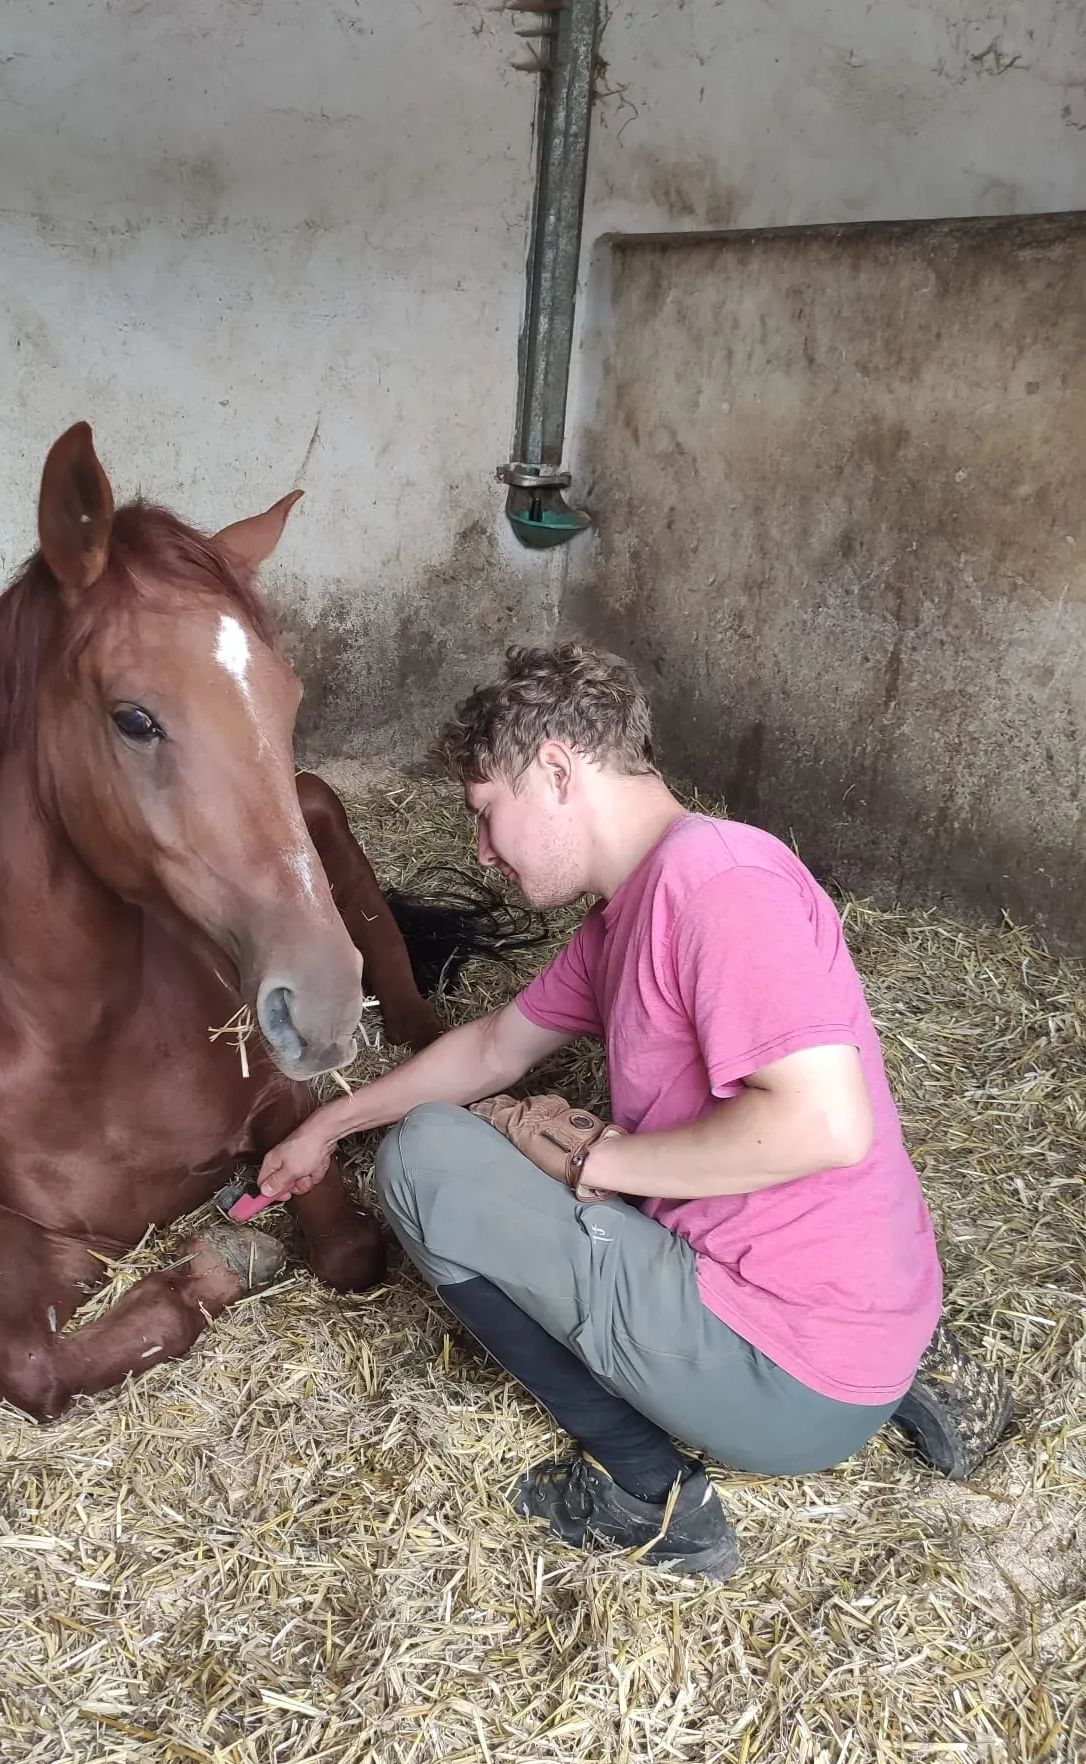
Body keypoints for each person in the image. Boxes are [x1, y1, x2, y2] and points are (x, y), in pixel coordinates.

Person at [257, 643, 952, 1582]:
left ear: (554, 768)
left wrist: (598, 1162)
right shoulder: (630, 910)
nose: (482, 852)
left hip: (786, 1376)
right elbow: (494, 1049)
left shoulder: (717, 884)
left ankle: (649, 1493)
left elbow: (825, 1125)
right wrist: (323, 1127)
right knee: (460, 1126)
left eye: (485, 814)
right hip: (851, 1340)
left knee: (424, 1162)